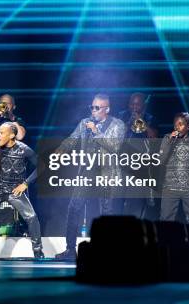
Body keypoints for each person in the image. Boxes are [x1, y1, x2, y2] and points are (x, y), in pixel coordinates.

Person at [55, 93, 126, 260]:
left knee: (106, 213)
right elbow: (72, 139)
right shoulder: (84, 123)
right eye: (92, 107)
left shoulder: (118, 124)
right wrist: (61, 149)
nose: (93, 111)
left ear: (106, 109)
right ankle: (70, 250)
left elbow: (115, 146)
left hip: (107, 175)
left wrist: (96, 131)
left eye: (97, 108)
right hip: (87, 172)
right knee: (74, 208)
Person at [0, 122, 44, 259]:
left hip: (14, 192)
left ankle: (38, 251)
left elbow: (42, 166)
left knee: (32, 217)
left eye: (1, 133)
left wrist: (26, 184)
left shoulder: (23, 149)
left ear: (12, 135)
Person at [158, 112, 189, 224]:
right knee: (165, 219)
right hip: (170, 187)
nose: (177, 127)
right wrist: (169, 142)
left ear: (188, 126)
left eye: (180, 124)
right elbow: (161, 159)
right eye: (175, 124)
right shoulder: (167, 138)